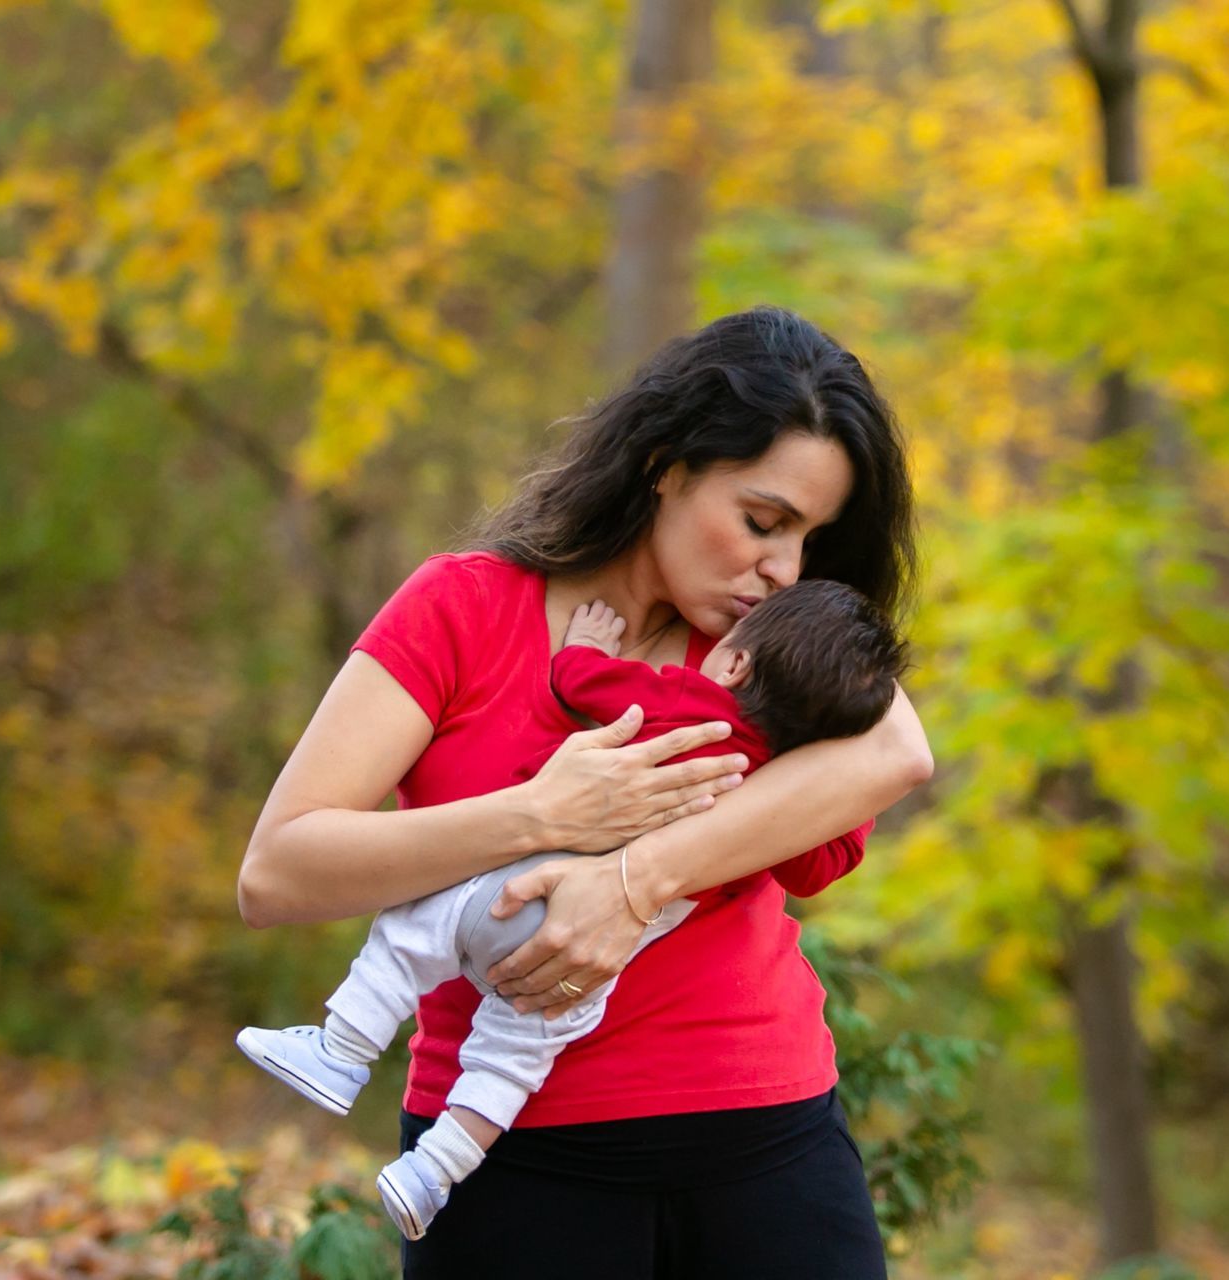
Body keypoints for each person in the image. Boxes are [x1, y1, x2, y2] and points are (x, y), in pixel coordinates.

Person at [237, 305, 931, 1279]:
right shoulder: (466, 608)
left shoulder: (770, 655)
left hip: (768, 1140)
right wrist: (538, 815)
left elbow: (901, 752)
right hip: (511, 1156)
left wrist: (635, 881)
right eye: (763, 521)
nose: (783, 569)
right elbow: (278, 870)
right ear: (665, 462)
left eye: (810, 539)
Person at [235, 580, 909, 1240]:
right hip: (584, 962)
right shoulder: (771, 785)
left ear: (733, 661)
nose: (776, 566)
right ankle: (432, 1173)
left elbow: (586, 683)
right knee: (514, 1060)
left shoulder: (684, 697)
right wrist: (843, 814)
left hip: (512, 894)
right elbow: (818, 865)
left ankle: (341, 1048)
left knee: (411, 932)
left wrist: (585, 648)